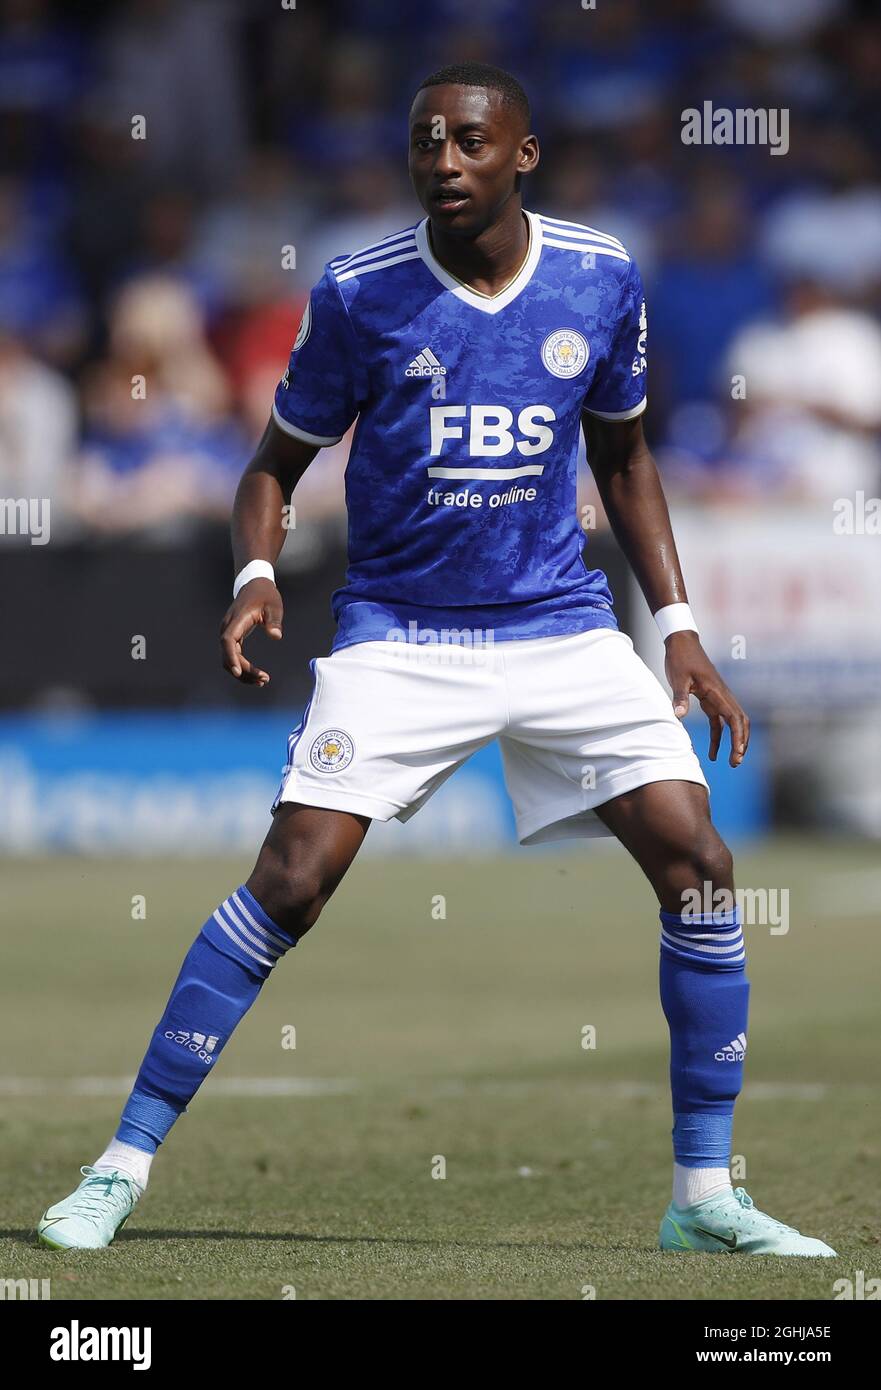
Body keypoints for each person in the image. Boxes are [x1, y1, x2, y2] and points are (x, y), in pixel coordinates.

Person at [37, 62, 834, 1258]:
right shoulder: (359, 293)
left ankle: (701, 1194)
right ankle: (119, 1166)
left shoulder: (599, 273)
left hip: (561, 626)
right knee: (292, 879)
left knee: (700, 863)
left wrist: (674, 626)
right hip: (401, 634)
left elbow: (622, 459)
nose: (444, 162)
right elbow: (271, 464)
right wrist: (255, 575)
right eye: (425, 144)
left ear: (521, 153)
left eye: (469, 142)